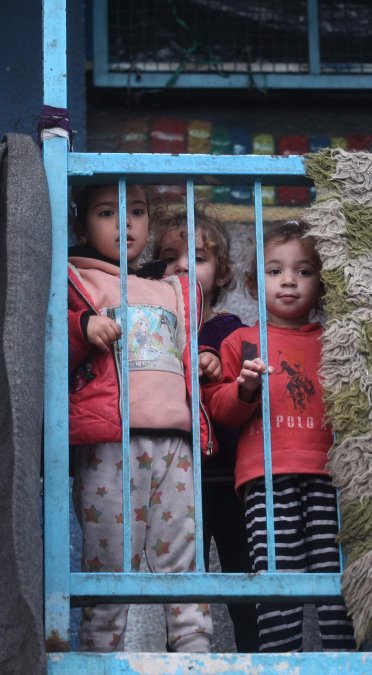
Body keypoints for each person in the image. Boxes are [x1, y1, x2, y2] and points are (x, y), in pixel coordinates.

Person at [67, 183, 214, 653]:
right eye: (107, 212)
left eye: (136, 211)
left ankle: (195, 656)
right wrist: (82, 326)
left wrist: (207, 358)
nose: (124, 222)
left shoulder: (168, 288)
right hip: (112, 444)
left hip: (175, 442)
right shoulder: (76, 277)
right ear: (83, 223)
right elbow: (46, 337)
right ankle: (98, 658)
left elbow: (187, 346)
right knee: (109, 568)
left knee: (184, 563)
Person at [203, 221, 356, 652]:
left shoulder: (336, 342)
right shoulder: (242, 342)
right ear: (255, 283)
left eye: (304, 271)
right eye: (275, 271)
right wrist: (245, 389)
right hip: (265, 480)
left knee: (338, 581)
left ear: (323, 285)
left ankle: (342, 664)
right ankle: (279, 663)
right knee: (277, 582)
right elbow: (220, 411)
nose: (289, 281)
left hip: (330, 477)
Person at [153, 206, 259, 652]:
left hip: (228, 477)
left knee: (244, 577)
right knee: (182, 583)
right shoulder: (154, 326)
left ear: (220, 274)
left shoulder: (228, 329)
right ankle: (183, 657)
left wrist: (216, 361)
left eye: (196, 257)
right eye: (170, 256)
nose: (182, 265)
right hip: (176, 477)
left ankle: (255, 655)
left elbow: (239, 379)